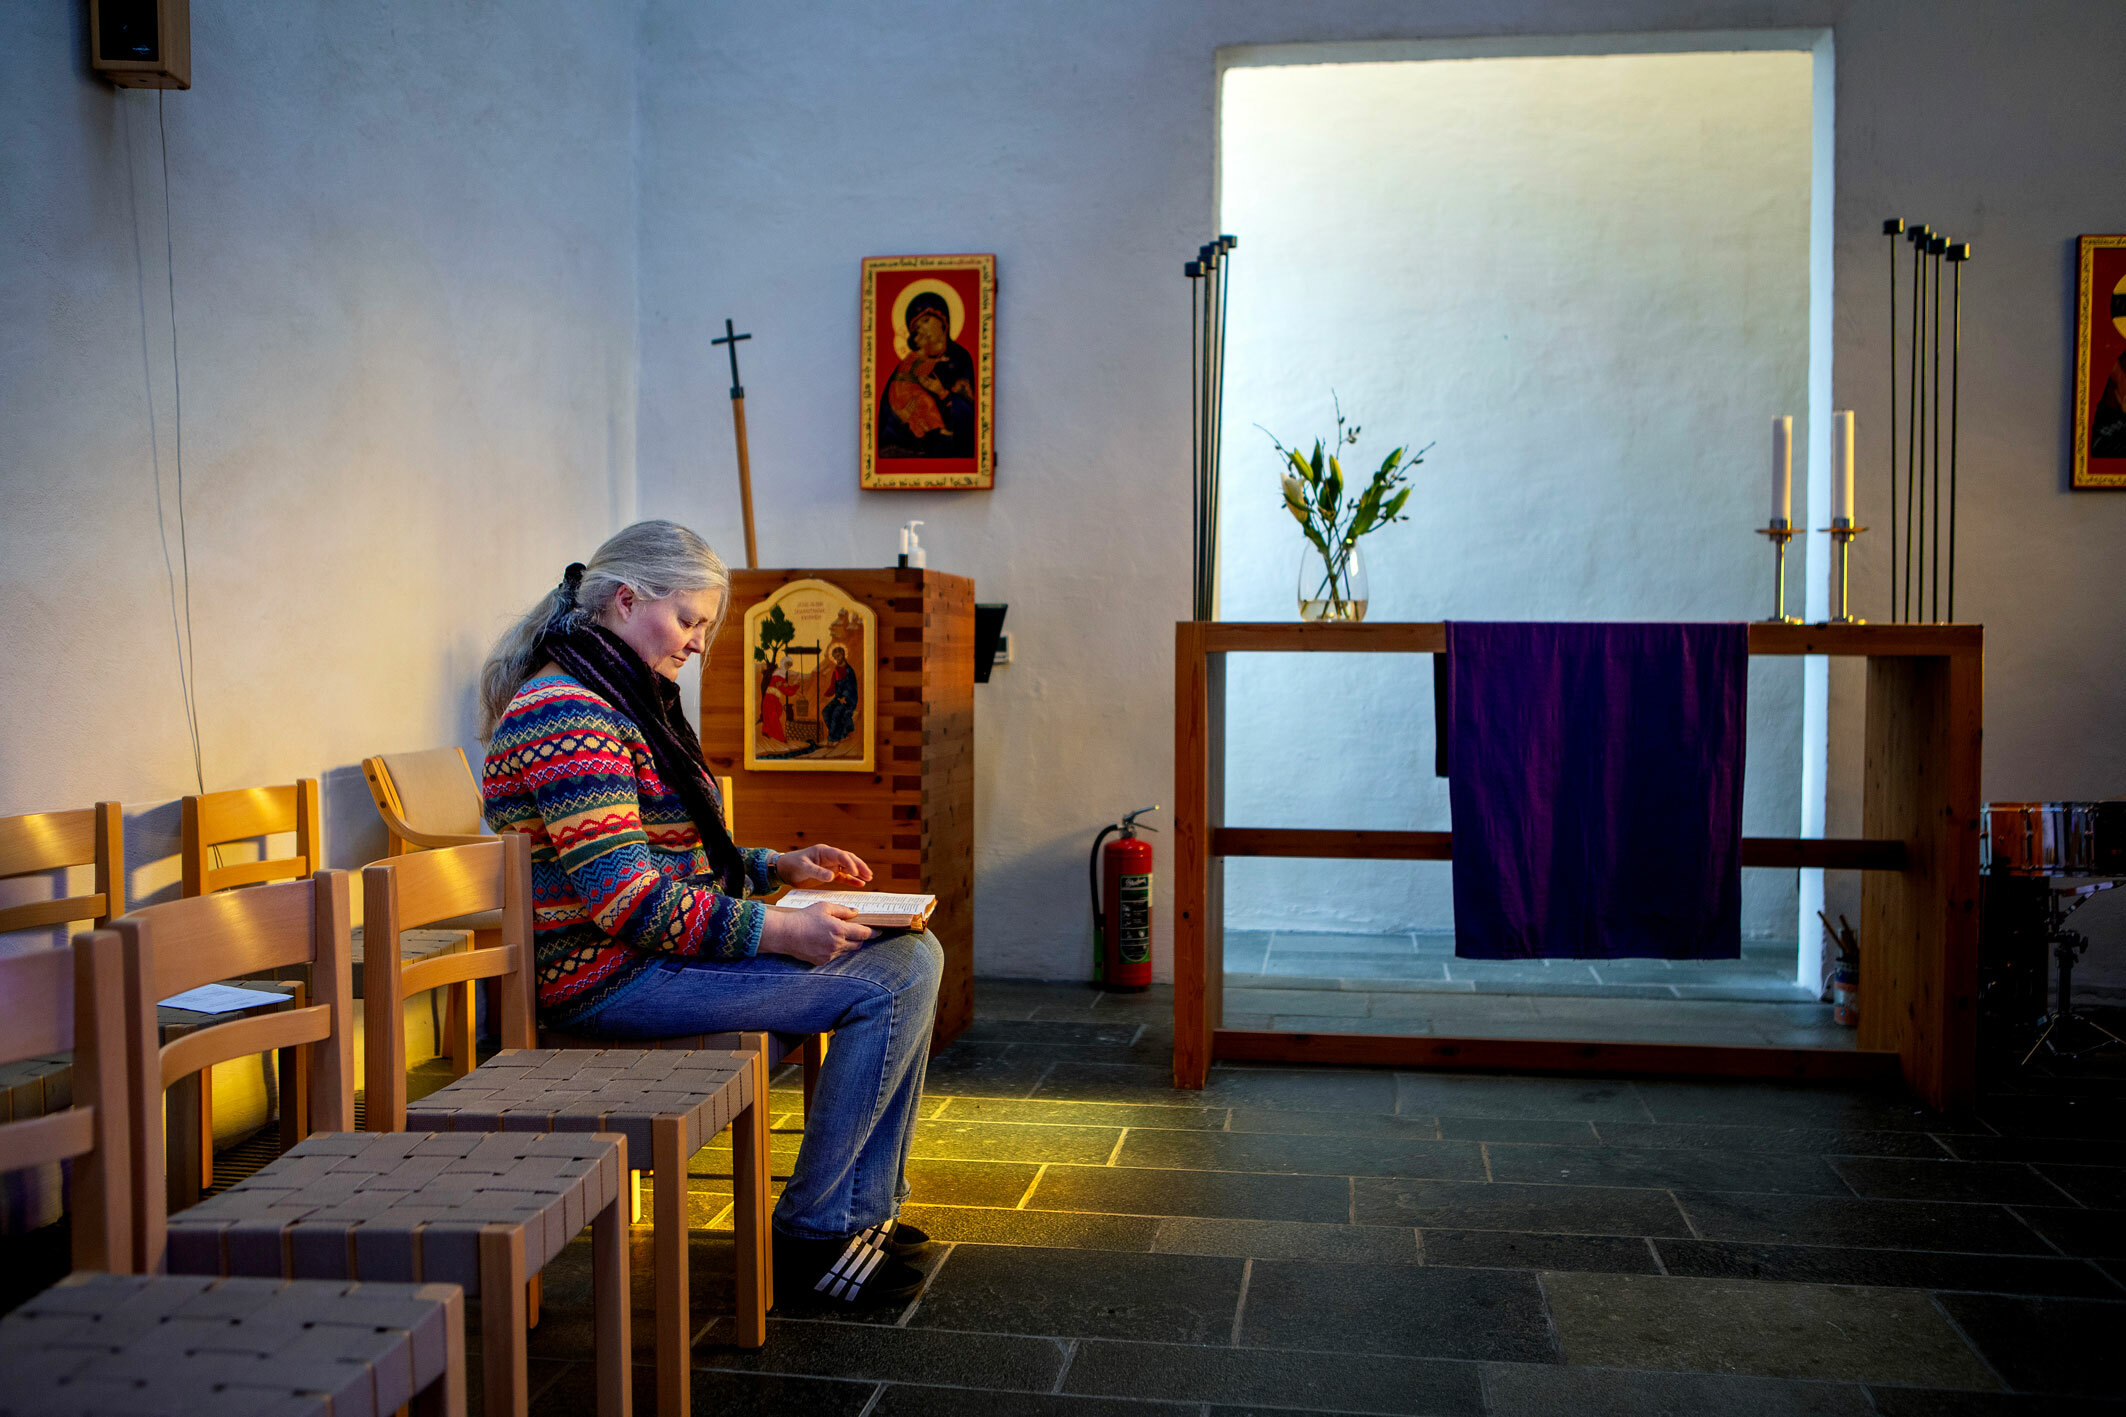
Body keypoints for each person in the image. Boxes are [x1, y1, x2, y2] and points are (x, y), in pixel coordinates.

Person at [478, 519, 943, 1308]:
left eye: (704, 626)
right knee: (893, 976)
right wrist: (783, 927)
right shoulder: (567, 713)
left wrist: (774, 867)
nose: (698, 643)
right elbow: (628, 899)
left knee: (910, 955)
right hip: (603, 976)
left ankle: (859, 1213)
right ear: (627, 600)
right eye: (690, 620)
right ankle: (815, 1235)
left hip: (642, 956)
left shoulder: (616, 696)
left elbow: (663, 860)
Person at [876, 291, 977, 457]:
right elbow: (887, 421)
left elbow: (970, 415)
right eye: (916, 328)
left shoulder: (961, 358)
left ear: (943, 320)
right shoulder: (908, 364)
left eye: (925, 320)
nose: (921, 329)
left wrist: (942, 393)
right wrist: (902, 415)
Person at [821, 644, 858, 744]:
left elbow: (851, 687)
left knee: (836, 713)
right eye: (835, 657)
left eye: (839, 656)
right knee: (825, 711)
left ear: (843, 655)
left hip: (849, 699)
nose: (837, 658)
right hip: (838, 699)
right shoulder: (836, 670)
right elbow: (833, 686)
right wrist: (825, 696)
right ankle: (837, 733)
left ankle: (833, 739)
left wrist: (844, 697)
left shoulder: (849, 671)